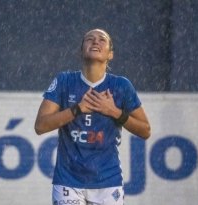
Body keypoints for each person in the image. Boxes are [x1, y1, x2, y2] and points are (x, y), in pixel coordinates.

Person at [34, 28, 151, 205]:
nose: (95, 42)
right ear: (81, 50)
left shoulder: (121, 85)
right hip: (68, 180)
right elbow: (40, 126)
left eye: (102, 40)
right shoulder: (64, 81)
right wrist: (77, 109)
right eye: (90, 39)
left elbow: (145, 130)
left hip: (108, 181)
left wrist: (114, 111)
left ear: (110, 54)